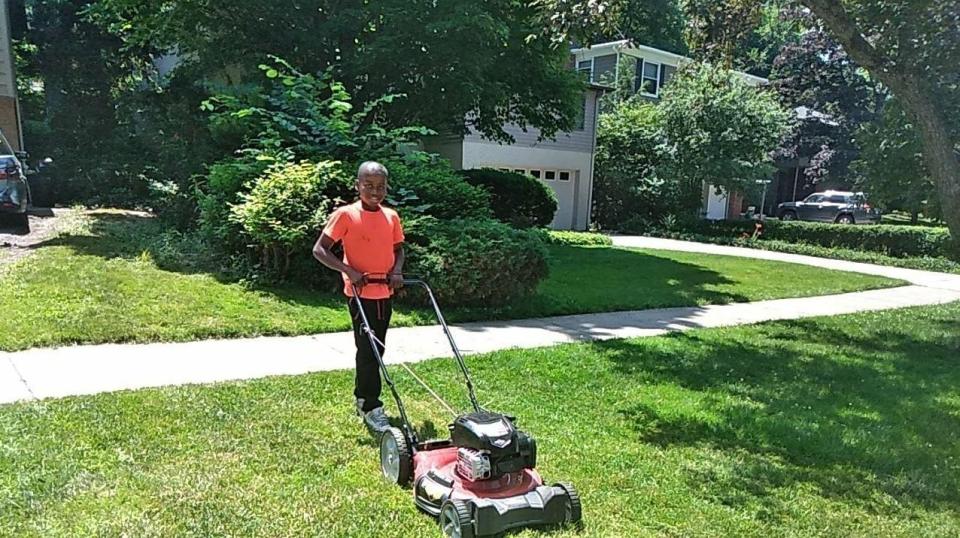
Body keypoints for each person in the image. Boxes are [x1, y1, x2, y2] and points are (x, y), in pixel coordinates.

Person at [312, 161, 404, 433]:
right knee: (368, 350)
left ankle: (361, 397)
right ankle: (370, 406)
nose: (375, 191)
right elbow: (320, 250)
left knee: (377, 349)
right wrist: (348, 270)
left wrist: (397, 271)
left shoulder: (391, 216)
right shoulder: (346, 215)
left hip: (383, 291)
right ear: (358, 186)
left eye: (380, 186)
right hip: (359, 292)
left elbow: (398, 249)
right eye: (369, 185)